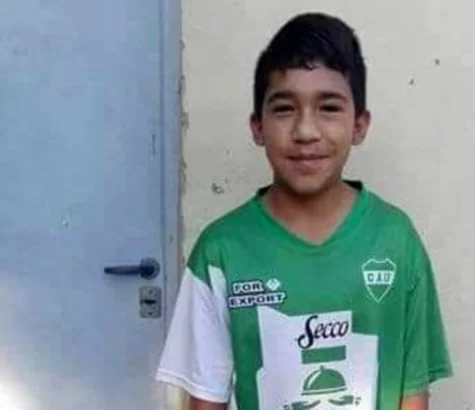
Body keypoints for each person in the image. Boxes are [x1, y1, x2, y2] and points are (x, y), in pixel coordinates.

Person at [156, 12, 452, 410]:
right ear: (257, 127)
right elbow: (206, 400)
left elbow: (412, 393)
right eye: (284, 109)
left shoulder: (396, 240)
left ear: (359, 125)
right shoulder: (220, 252)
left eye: (329, 108)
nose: (306, 131)